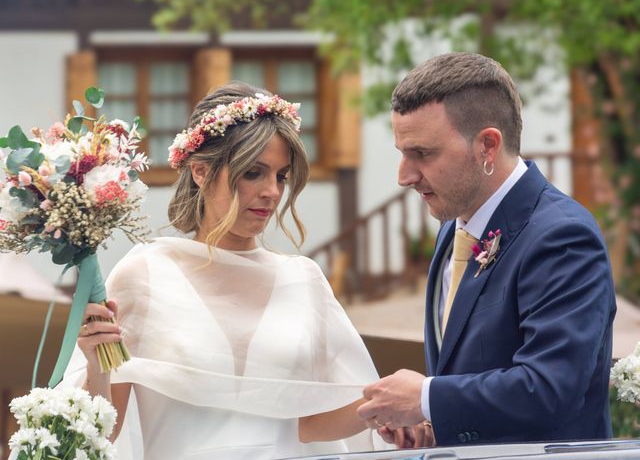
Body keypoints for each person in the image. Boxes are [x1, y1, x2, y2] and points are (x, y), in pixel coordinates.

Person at [60, 82, 382, 459]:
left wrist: (393, 408)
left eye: (281, 176)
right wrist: (98, 366)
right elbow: (104, 430)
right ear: (200, 171)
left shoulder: (303, 279)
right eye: (253, 173)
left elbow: (311, 424)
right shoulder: (145, 272)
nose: (272, 192)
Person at [357, 52, 616, 446]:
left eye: (422, 154)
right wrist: (434, 428)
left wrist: (426, 399)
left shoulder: (562, 237)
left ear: (487, 146)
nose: (404, 176)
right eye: (401, 153)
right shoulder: (453, 229)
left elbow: (550, 389)